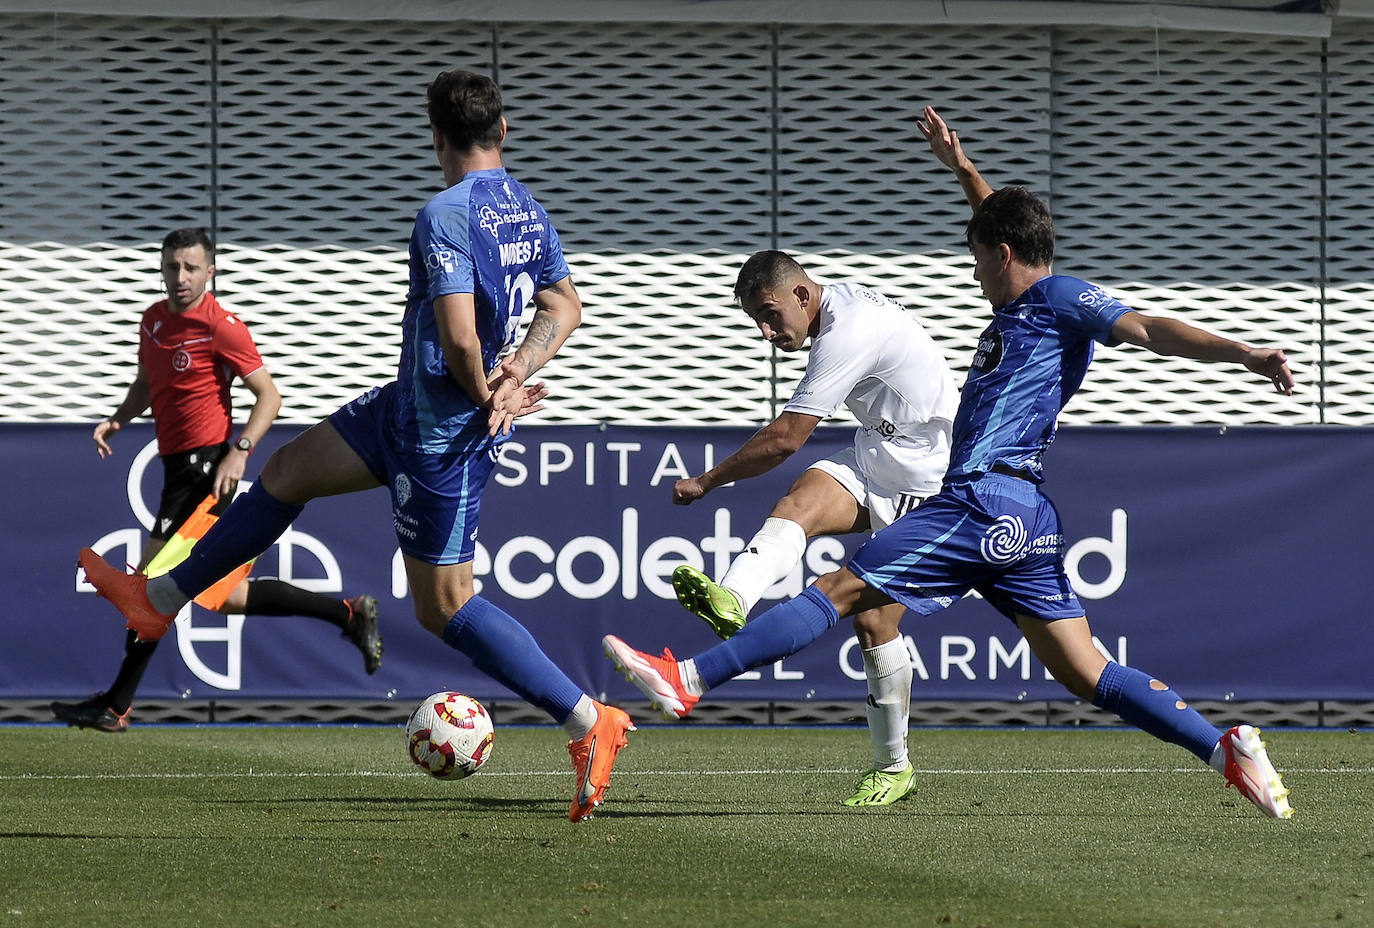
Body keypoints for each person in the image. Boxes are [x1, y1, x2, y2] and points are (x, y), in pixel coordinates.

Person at [604, 106, 1296, 819]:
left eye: (975, 260)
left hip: (981, 502)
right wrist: (962, 170)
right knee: (1089, 672)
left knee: (843, 591)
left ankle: (686, 678)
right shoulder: (1023, 303)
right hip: (1021, 515)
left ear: (999, 256)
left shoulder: (1057, 297)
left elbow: (1148, 328)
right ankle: (1226, 749)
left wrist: (1244, 354)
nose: (972, 277)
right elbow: (1003, 231)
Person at [78, 70, 634, 823]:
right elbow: (564, 306)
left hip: (441, 431)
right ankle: (158, 601)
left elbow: (463, 336)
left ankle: (588, 721)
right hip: (404, 407)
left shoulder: (445, 213)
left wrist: (492, 389)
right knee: (284, 471)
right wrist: (520, 370)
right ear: (502, 132)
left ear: (436, 137)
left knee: (445, 608)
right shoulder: (527, 209)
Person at [54, 227, 382, 734]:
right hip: (174, 471)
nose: (179, 277)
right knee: (225, 598)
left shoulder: (222, 326)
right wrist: (119, 418)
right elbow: (147, 382)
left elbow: (268, 397)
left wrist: (239, 452)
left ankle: (115, 705)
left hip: (208, 472)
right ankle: (349, 614)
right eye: (171, 267)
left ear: (211, 271)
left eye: (190, 267)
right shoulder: (154, 321)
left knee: (146, 591)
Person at [668, 250, 958, 805]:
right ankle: (732, 597)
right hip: (881, 458)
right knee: (800, 500)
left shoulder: (848, 332)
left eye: (770, 314)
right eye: (756, 318)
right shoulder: (834, 309)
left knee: (873, 620)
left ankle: (893, 766)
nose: (766, 330)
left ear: (802, 295)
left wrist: (706, 482)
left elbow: (783, 439)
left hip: (936, 480)